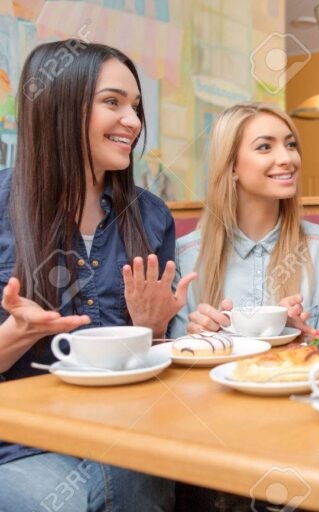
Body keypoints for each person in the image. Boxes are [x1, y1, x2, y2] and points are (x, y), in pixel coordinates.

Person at [0, 39, 194, 511]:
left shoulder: (151, 218)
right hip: (20, 442)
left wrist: (151, 331)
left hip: (125, 430)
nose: (132, 121)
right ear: (57, 104)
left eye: (136, 106)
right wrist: (16, 334)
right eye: (112, 102)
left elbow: (152, 369)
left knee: (140, 476)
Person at [170, 103, 319, 343]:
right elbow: (176, 361)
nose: (287, 158)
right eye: (265, 147)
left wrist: (300, 338)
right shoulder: (185, 255)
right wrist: (199, 340)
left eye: (291, 145)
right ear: (231, 166)